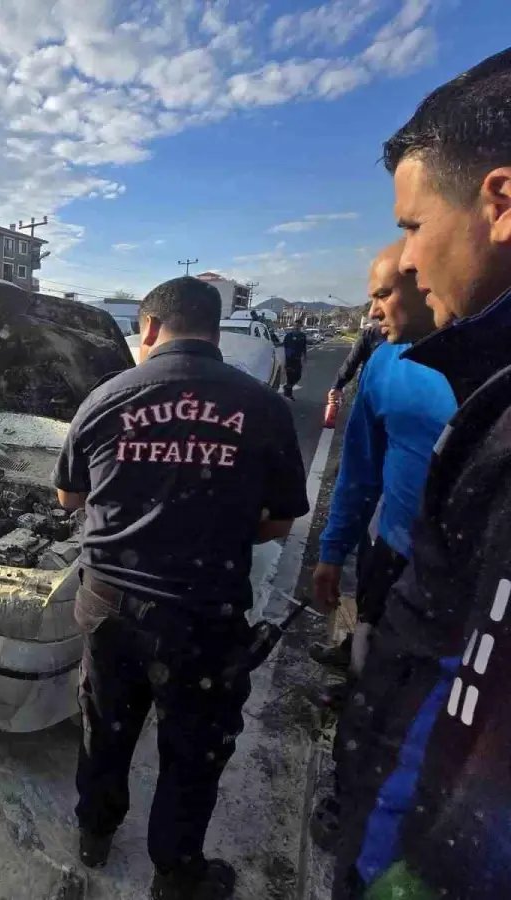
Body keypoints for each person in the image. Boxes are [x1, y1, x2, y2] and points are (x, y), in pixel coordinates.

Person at [54, 276, 308, 899]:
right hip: (202, 613)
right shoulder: (263, 406)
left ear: (147, 328)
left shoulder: (105, 397)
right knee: (193, 747)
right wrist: (208, 524)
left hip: (108, 603)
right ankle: (175, 871)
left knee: (105, 725)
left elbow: (70, 497)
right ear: (213, 328)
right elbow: (278, 520)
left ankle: (94, 832)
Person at [329, 48, 511, 900]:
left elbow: (471, 712)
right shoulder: (411, 370)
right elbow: (357, 475)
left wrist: (407, 876)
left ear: (498, 202)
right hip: (394, 563)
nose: (403, 265)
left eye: (410, 226)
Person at [306, 240, 455, 848]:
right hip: (390, 556)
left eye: (383, 294)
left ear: (428, 280)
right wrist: (332, 553)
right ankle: (351, 792)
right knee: (372, 684)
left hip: (472, 572)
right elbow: (360, 472)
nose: (372, 311)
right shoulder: (385, 365)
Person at [328, 322, 386, 403]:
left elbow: (351, 363)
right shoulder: (370, 335)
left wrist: (337, 386)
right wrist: (337, 385)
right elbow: (351, 362)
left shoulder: (370, 334)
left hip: (370, 392)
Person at [282, 322, 309, 399]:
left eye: (298, 325)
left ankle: (287, 388)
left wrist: (305, 356)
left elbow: (304, 347)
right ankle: (288, 395)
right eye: (295, 325)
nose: (297, 327)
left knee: (298, 376)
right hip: (289, 360)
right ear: (293, 326)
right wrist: (285, 361)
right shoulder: (288, 336)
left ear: (300, 327)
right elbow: (285, 348)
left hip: (297, 360)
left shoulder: (302, 336)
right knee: (290, 377)